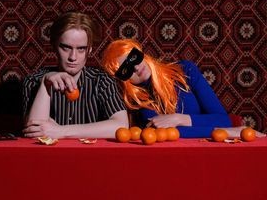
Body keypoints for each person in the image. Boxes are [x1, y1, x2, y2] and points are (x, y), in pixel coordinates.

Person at [101, 38, 264, 138]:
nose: (136, 68)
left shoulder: (185, 71)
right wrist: (227, 132)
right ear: (122, 79)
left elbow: (224, 120)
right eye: (126, 70)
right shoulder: (138, 102)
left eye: (134, 58)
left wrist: (179, 119)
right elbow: (161, 135)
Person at [22, 11, 128, 139]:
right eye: (66, 47)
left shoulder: (102, 81)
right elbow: (34, 131)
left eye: (81, 49)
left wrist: (61, 131)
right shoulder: (34, 81)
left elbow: (121, 126)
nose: (73, 57)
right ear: (55, 46)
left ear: (89, 50)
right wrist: (45, 84)